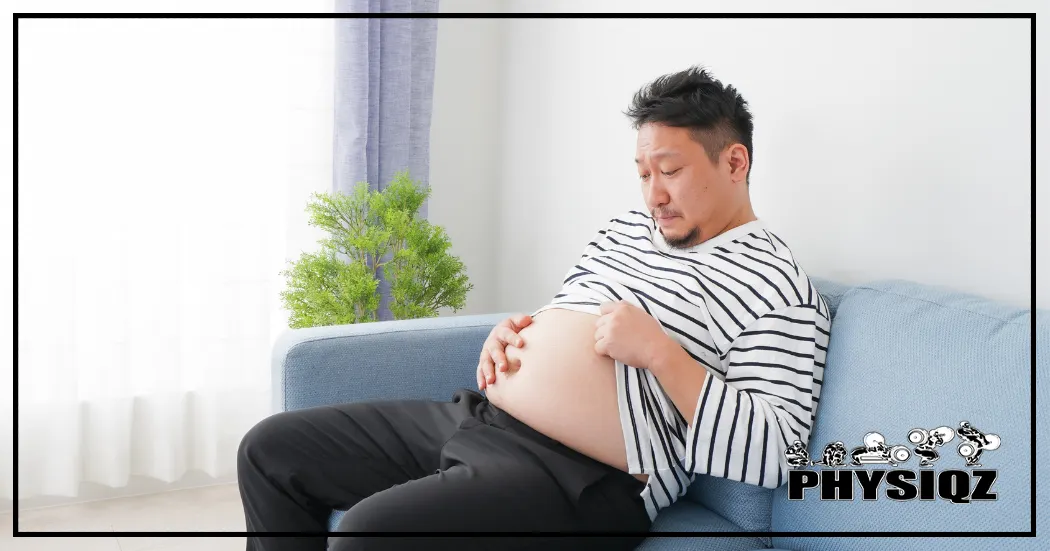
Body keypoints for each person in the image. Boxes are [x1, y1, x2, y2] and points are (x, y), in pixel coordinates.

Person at [238, 65, 831, 551]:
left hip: (578, 480)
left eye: (670, 172)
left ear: (734, 162)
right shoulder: (627, 229)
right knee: (269, 451)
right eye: (644, 173)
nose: (653, 194)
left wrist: (660, 354)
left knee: (369, 538)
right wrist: (514, 335)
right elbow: (565, 318)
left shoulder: (778, 288)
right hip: (479, 419)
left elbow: (778, 454)